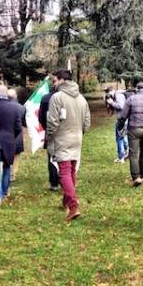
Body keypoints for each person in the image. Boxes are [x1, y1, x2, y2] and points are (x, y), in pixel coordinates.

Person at [47, 69, 91, 221]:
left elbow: (52, 122)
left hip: (62, 138)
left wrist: (50, 137)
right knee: (71, 171)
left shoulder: (57, 97)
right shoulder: (82, 98)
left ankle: (73, 206)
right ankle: (66, 201)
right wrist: (80, 132)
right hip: (77, 137)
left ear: (61, 80)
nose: (54, 83)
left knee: (64, 172)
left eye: (55, 80)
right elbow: (87, 122)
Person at [0, 85, 23, 206]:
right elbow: (18, 127)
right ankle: (4, 193)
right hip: (9, 140)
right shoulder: (14, 108)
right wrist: (11, 136)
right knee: (7, 167)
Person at [117, 82, 143, 186]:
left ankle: (136, 177)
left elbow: (123, 116)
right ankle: (142, 175)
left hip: (134, 129)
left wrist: (120, 127)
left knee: (133, 154)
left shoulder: (131, 99)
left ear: (137, 89)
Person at [39, 84, 59, 191]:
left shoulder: (45, 98)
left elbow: (41, 117)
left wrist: (46, 127)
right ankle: (64, 180)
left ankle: (54, 182)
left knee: (52, 157)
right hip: (64, 130)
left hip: (50, 131)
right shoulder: (65, 97)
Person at [8, 88, 27, 182]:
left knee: (5, 155)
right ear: (16, 96)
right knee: (16, 155)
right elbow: (24, 122)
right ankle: (13, 174)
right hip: (17, 134)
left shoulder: (0, 106)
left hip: (5, 134)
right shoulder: (21, 108)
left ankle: (6, 172)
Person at [105, 87, 129, 163]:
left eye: (108, 92)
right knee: (123, 136)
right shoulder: (119, 95)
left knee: (119, 138)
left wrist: (111, 102)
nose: (108, 94)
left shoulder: (118, 95)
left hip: (122, 120)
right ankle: (127, 152)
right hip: (125, 119)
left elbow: (121, 106)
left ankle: (121, 157)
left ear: (112, 91)